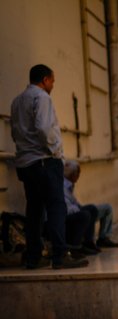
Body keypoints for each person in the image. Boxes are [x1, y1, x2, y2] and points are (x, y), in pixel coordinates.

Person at [10, 64, 88, 269]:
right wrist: (56, 152)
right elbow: (44, 128)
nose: (53, 85)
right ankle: (60, 255)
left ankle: (34, 257)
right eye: (52, 81)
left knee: (34, 209)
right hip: (45, 161)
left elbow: (15, 132)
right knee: (56, 207)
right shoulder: (42, 97)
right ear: (45, 80)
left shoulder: (17, 101)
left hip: (26, 163)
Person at [63, 160, 118, 250]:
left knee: (106, 208)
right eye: (77, 173)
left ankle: (103, 238)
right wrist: (82, 210)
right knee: (88, 212)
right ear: (73, 174)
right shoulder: (64, 185)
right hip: (70, 215)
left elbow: (74, 202)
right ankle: (87, 242)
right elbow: (68, 208)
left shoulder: (70, 185)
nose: (78, 176)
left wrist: (81, 208)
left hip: (75, 210)